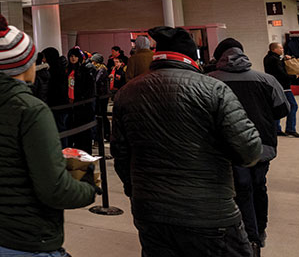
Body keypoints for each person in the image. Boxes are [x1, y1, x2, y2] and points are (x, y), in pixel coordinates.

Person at [112, 26, 262, 257]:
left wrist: (134, 190)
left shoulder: (127, 93)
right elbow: (249, 151)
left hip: (150, 210)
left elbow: (120, 153)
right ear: (192, 58)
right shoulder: (214, 90)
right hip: (208, 212)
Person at [0, 15, 97, 256]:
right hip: (30, 241)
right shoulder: (31, 110)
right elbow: (54, 190)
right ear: (24, 64)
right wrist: (88, 186)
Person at [209, 41, 288, 255]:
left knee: (237, 190)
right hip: (262, 145)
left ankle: (243, 236)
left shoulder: (210, 81)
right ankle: (259, 232)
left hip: (227, 148)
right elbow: (282, 110)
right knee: (258, 186)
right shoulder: (266, 80)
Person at [263, 42, 298, 137]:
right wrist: (294, 77)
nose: (282, 50)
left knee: (277, 106)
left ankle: (277, 128)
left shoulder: (270, 58)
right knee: (293, 105)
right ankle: (290, 129)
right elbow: (281, 73)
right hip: (282, 87)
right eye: (281, 48)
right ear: (275, 49)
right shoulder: (274, 60)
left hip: (276, 86)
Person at [66, 47, 96, 153]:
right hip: (71, 104)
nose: (73, 58)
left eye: (75, 56)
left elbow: (89, 88)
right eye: (71, 56)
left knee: (83, 131)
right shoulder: (68, 70)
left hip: (82, 105)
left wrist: (83, 99)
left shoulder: (84, 70)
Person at [42, 47, 69, 146]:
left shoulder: (53, 71)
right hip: (62, 105)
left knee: (59, 129)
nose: (43, 60)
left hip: (57, 105)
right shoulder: (61, 69)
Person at [90, 54, 110, 141]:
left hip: (102, 96)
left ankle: (106, 134)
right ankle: (99, 135)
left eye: (93, 61)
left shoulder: (102, 69)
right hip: (99, 95)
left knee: (103, 115)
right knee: (99, 114)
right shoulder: (98, 69)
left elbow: (96, 80)